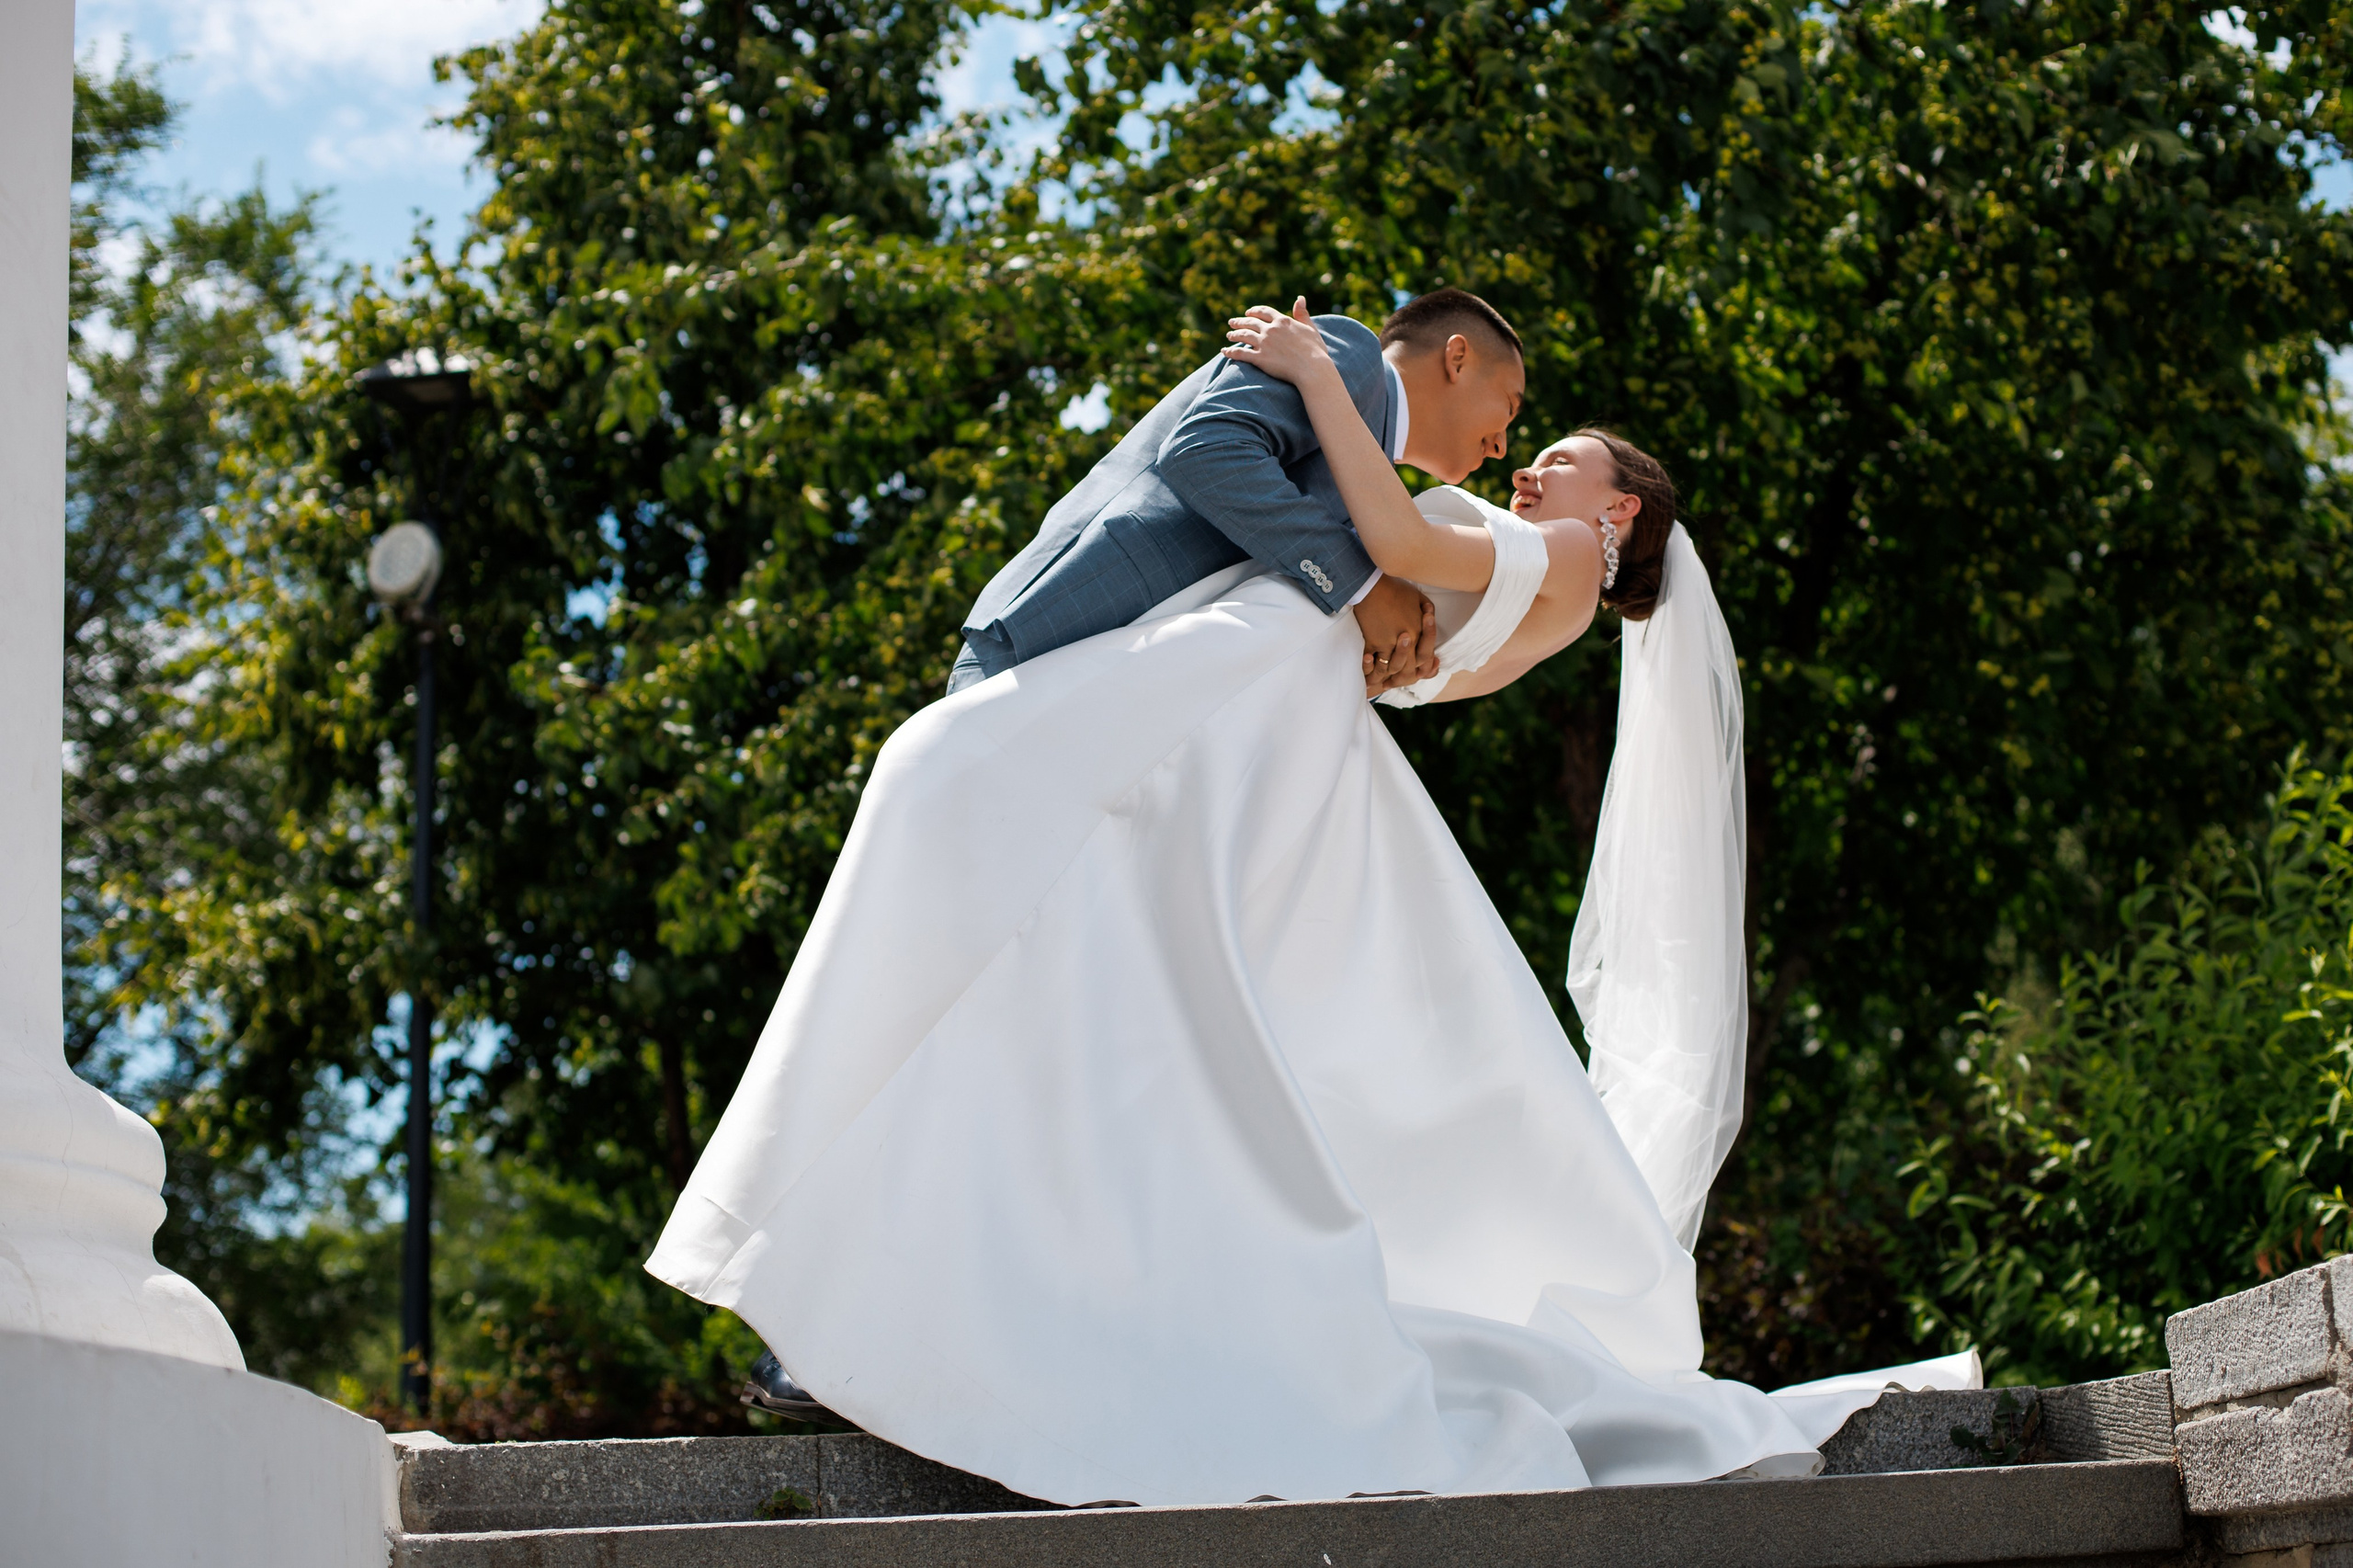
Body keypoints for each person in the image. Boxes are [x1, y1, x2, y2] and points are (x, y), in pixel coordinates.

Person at [645, 297, 1976, 1508]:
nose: (1523, 454)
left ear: (1622, 511)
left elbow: (1390, 548)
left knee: (1089, 954)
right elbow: (1409, 638)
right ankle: (912, 1290)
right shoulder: (1418, 445)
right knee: (1119, 992)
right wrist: (1376, 616)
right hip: (1272, 697)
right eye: (1518, 419)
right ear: (1452, 356)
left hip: (1253, 703)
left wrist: (1322, 427)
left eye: (1552, 444)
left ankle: (915, 1297)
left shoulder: (1554, 543)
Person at [948, 288, 1528, 699]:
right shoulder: (1344, 357)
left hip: (1126, 691)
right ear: (1457, 358)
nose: (1502, 447)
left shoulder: (1371, 484)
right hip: (1053, 638)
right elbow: (1206, 453)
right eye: (1509, 406)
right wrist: (1365, 587)